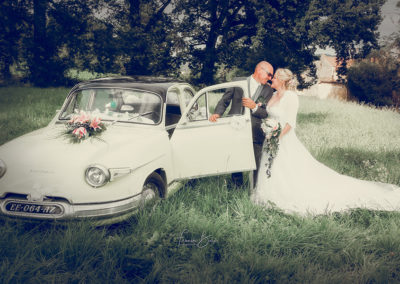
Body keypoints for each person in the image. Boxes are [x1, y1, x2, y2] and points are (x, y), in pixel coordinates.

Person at [251, 68, 400, 215]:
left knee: (289, 169)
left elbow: (290, 123)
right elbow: (267, 114)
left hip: (283, 139)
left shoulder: (291, 97)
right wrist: (267, 128)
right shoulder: (273, 95)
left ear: (282, 80)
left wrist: (277, 137)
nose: (272, 79)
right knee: (271, 166)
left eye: (275, 77)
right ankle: (270, 195)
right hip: (270, 139)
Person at [209, 61, 274, 188]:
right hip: (236, 128)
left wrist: (254, 107)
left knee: (257, 162)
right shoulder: (238, 81)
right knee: (235, 158)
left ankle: (256, 189)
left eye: (271, 76)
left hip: (256, 131)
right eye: (269, 74)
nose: (270, 78)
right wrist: (217, 113)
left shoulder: (268, 90)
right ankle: (236, 187)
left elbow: (266, 113)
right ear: (260, 70)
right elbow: (224, 100)